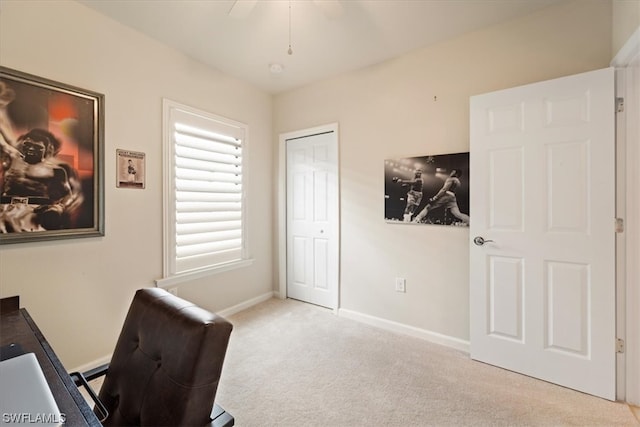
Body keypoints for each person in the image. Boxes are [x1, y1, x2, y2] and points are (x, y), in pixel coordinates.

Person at [0, 128, 83, 232]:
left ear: (46, 150)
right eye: (28, 144)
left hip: (33, 213)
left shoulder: (55, 171)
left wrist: (57, 208)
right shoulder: (12, 159)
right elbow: (2, 143)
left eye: (37, 147)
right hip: (5, 209)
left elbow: (68, 196)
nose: (30, 149)